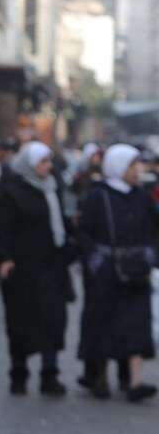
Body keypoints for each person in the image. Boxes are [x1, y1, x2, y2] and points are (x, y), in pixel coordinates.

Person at [77, 144, 158, 402]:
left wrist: (149, 256)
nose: (138, 170)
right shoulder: (97, 196)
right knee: (103, 325)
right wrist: (96, 261)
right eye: (132, 165)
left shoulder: (142, 197)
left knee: (135, 325)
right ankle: (99, 377)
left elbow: (153, 231)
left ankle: (133, 382)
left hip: (136, 271)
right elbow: (84, 234)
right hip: (106, 275)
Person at [0, 142, 75, 396]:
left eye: (49, 161)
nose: (47, 167)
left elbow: (59, 223)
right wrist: (4, 258)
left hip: (51, 266)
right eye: (42, 162)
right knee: (21, 323)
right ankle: (19, 374)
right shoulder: (12, 192)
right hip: (23, 269)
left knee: (52, 321)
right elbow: (2, 228)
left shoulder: (52, 188)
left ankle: (49, 375)